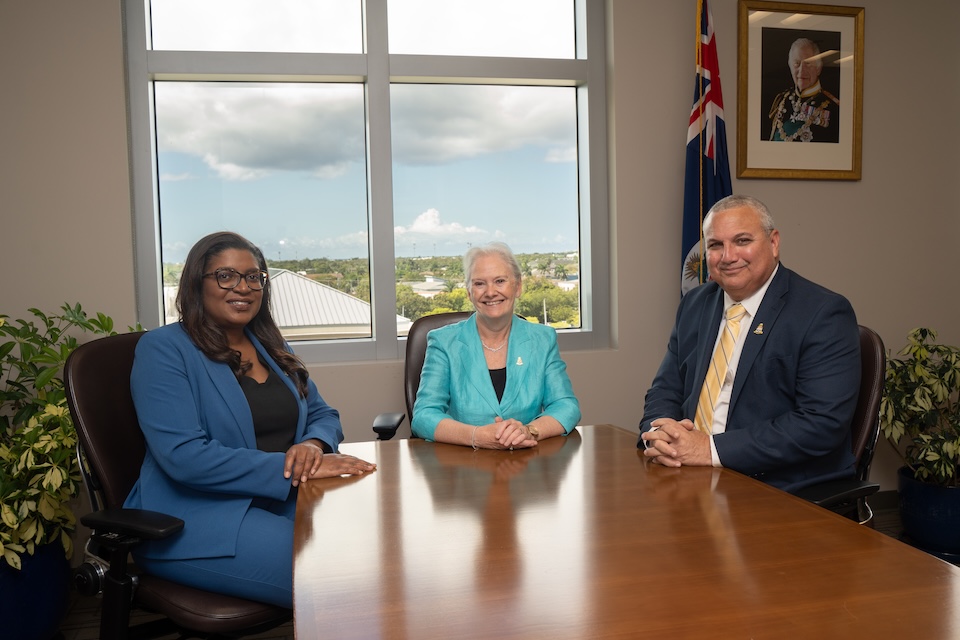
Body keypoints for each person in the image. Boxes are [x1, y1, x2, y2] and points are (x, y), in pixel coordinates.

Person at [125, 231, 376, 609]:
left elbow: (322, 413)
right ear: (197, 282)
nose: (242, 287)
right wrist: (290, 469)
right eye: (225, 275)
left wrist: (312, 446)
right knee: (337, 582)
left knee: (375, 552)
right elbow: (184, 456)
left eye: (254, 276)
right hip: (197, 516)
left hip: (279, 498)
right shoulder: (163, 349)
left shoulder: (272, 346)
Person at [638, 195, 859, 493]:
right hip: (689, 474)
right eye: (715, 245)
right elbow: (666, 387)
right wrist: (660, 434)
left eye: (742, 241)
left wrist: (711, 450)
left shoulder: (822, 313)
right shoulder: (695, 303)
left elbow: (820, 424)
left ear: (774, 243)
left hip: (778, 484)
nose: (728, 256)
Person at [412, 242, 580, 449]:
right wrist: (477, 436)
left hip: (526, 465)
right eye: (480, 283)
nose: (490, 292)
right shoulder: (444, 342)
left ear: (517, 287)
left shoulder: (542, 339)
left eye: (500, 281)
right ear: (469, 292)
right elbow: (423, 416)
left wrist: (529, 431)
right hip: (462, 466)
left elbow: (566, 406)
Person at [768, 37, 839, 143]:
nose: (802, 70)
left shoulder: (834, 107)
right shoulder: (781, 99)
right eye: (797, 63)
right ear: (790, 67)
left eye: (808, 63)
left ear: (818, 68)